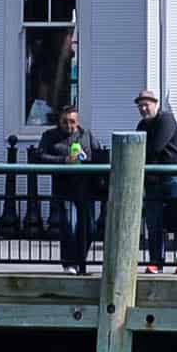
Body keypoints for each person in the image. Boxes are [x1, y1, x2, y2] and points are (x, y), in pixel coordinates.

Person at [35, 105, 105, 271]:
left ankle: (81, 260)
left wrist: (86, 158)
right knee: (70, 224)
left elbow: (99, 155)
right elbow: (40, 156)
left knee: (89, 227)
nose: (69, 126)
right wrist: (64, 160)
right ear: (59, 122)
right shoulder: (50, 136)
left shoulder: (85, 135)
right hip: (64, 188)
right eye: (65, 122)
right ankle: (69, 262)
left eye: (72, 122)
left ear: (77, 121)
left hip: (86, 188)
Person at [134, 89, 177, 271]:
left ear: (155, 104)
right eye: (140, 105)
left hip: (174, 175)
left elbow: (155, 147)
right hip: (153, 180)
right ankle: (156, 261)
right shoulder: (141, 126)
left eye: (147, 104)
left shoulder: (166, 119)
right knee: (153, 221)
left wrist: (140, 160)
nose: (143, 109)